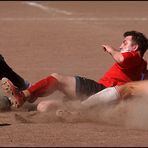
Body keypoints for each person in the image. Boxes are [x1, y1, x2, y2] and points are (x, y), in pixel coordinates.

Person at [1, 31, 148, 110]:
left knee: (57, 78)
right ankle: (31, 97)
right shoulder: (143, 70)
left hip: (101, 91)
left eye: (125, 42)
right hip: (102, 101)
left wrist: (111, 49)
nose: (121, 45)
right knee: (43, 107)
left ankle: (23, 95)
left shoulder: (134, 56)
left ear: (135, 48)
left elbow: (121, 58)